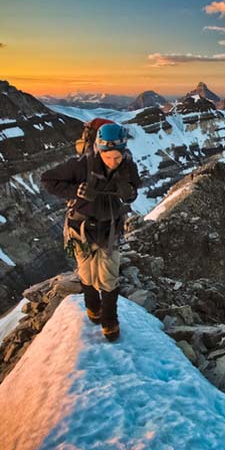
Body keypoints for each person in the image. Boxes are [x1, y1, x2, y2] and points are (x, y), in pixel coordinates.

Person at [40, 123, 141, 341]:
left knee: (108, 276)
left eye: (117, 157)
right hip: (81, 228)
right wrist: (75, 192)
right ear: (99, 150)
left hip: (110, 229)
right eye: (108, 157)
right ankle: (92, 309)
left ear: (124, 152)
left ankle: (110, 322)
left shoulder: (128, 166)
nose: (113, 162)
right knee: (86, 272)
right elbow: (47, 179)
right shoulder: (81, 165)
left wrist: (129, 194)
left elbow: (134, 191)